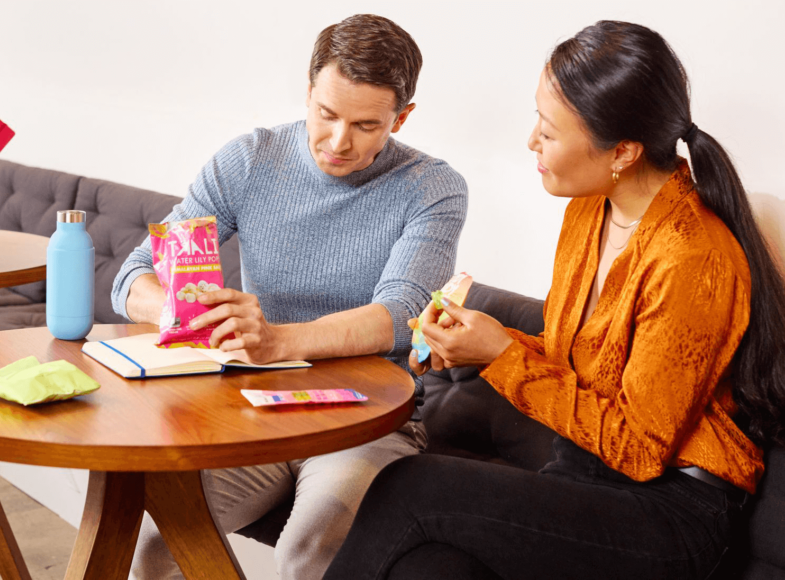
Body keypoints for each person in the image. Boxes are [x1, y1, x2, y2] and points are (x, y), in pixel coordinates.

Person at [324, 20, 785, 580]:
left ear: (623, 150)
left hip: (669, 512)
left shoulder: (693, 258)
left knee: (410, 484)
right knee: (428, 567)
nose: (530, 141)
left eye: (548, 128)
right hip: (582, 479)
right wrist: (476, 343)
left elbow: (639, 448)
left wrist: (500, 356)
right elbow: (587, 367)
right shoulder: (590, 209)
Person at [110, 14, 468, 580]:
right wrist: (188, 314)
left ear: (402, 117)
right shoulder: (250, 160)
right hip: (256, 411)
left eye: (367, 125)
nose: (338, 142)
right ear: (307, 92)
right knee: (154, 540)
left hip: (368, 419)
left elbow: (402, 316)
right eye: (325, 114)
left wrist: (275, 340)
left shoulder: (433, 187)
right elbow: (131, 278)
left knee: (307, 551)